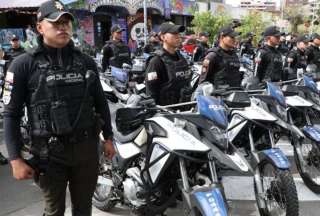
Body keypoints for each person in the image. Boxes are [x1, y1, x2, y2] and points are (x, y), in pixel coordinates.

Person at [3, 1, 114, 216]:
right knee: (55, 211)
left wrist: (108, 137)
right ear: (40, 27)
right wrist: (15, 158)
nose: (62, 27)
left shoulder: (86, 62)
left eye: (66, 22)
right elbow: (11, 115)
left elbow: (100, 102)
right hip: (49, 155)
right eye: (55, 22)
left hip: (86, 151)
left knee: (83, 209)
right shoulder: (23, 65)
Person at [145, 22, 192, 106]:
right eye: (174, 33)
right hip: (166, 113)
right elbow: (151, 93)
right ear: (163, 37)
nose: (178, 36)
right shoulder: (156, 61)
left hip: (184, 110)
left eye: (178, 33)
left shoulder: (182, 58)